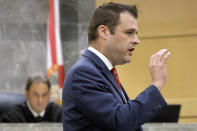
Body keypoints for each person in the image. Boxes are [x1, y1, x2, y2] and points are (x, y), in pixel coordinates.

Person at [62, 2, 171, 131]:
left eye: (136, 33)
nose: (137, 40)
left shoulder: (104, 71)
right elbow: (122, 121)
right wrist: (157, 84)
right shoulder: (83, 73)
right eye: (129, 32)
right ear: (104, 32)